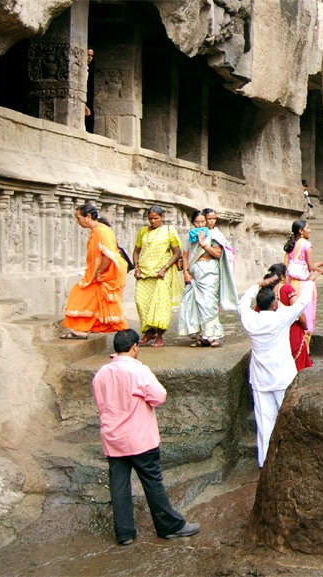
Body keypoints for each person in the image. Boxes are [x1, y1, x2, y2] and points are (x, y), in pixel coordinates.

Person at [91, 329, 200, 546]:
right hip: (139, 437)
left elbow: (100, 400)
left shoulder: (102, 373)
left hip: (112, 437)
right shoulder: (138, 371)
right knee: (152, 482)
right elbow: (159, 396)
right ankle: (168, 526)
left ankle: (124, 532)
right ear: (134, 348)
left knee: (119, 485)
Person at [238, 270, 321, 467]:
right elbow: (302, 303)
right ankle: (290, 460)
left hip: (260, 379)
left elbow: (242, 303)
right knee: (288, 418)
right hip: (282, 376)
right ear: (274, 304)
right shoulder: (281, 317)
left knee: (265, 424)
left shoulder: (251, 319)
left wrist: (259, 284)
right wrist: (309, 282)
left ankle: (265, 462)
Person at [62, 203, 128, 339]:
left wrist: (99, 272)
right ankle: (81, 329)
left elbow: (107, 256)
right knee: (90, 300)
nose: (78, 222)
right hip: (98, 275)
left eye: (79, 218)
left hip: (106, 276)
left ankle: (126, 341)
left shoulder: (101, 231)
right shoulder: (98, 230)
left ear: (88, 216)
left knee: (110, 306)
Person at [178, 209, 238, 347]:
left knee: (209, 304)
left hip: (210, 272)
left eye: (202, 222)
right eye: (197, 222)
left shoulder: (213, 234)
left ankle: (214, 336)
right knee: (196, 304)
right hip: (195, 272)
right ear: (193, 223)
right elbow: (186, 255)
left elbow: (218, 253)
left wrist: (204, 244)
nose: (200, 225)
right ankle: (201, 336)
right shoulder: (189, 236)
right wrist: (186, 272)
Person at [132, 205, 183, 348]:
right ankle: (149, 332)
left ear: (162, 217)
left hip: (162, 273)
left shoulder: (169, 231)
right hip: (144, 272)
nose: (153, 221)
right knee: (142, 302)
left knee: (160, 304)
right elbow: (136, 251)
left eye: (156, 218)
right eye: (150, 218)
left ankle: (159, 336)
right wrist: (136, 267)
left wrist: (165, 268)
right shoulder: (143, 232)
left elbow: (176, 253)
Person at [283, 220, 323, 348]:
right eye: (308, 228)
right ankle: (304, 349)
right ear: (301, 231)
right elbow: (310, 268)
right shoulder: (306, 244)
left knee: (295, 316)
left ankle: (294, 347)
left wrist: (322, 263)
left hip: (291, 284)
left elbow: (299, 265)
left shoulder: (290, 245)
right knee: (307, 315)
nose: (309, 230)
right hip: (304, 285)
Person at [265, 264, 312, 371]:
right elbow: (299, 311)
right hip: (291, 331)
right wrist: (305, 326)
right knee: (297, 367)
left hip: (271, 332)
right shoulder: (286, 289)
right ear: (282, 277)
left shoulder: (264, 291)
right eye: (286, 275)